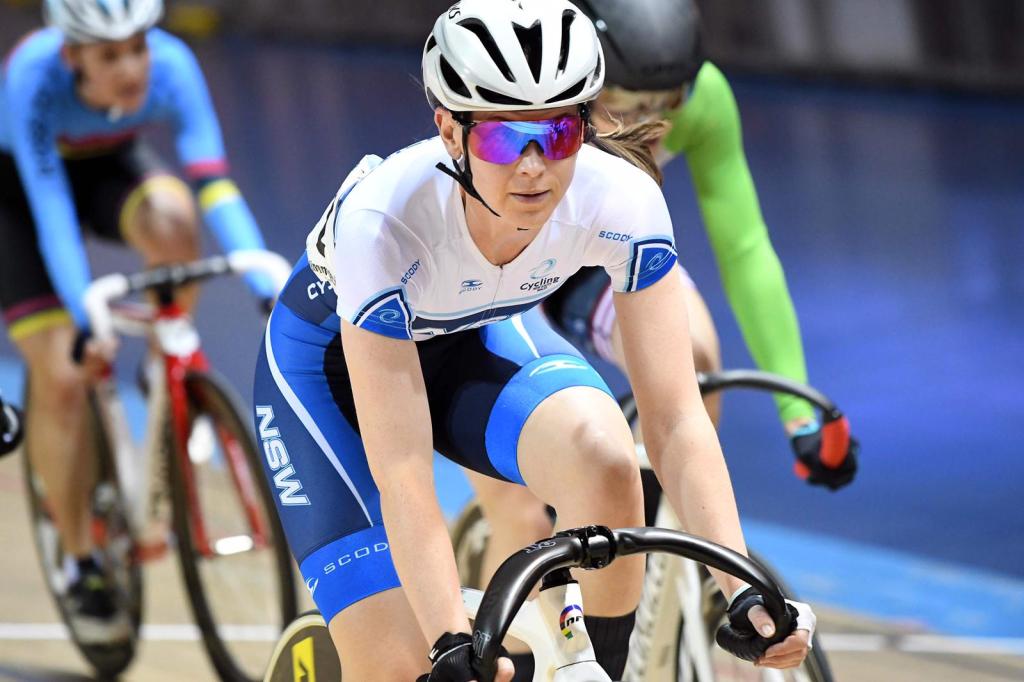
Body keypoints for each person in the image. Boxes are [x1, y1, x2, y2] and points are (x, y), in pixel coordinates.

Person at [253, 1, 815, 679]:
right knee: (400, 664)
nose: (532, 167)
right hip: (327, 370)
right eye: (501, 138)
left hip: (469, 336)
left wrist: (742, 587)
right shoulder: (383, 223)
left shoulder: (623, 200)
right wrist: (448, 641)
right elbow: (402, 469)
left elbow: (674, 418)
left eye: (557, 134)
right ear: (450, 130)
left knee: (607, 461)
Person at [466, 3, 858, 673]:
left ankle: (664, 559)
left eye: (666, 102)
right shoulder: (535, 97)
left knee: (694, 361)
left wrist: (797, 408)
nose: (653, 119)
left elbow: (745, 247)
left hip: (600, 256)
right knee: (525, 511)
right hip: (500, 268)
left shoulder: (704, 102)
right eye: (624, 103)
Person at [0, 0, 275, 641]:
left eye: (138, 47)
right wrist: (85, 319)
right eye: (110, 55)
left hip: (107, 166)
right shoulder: (33, 76)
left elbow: (214, 184)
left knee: (174, 220)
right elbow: (51, 212)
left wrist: (268, 282)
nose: (131, 68)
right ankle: (80, 561)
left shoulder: (174, 66)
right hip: (19, 193)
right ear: (72, 56)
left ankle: (163, 360)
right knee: (62, 376)